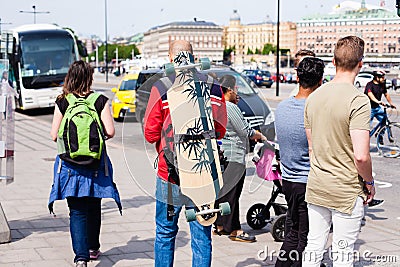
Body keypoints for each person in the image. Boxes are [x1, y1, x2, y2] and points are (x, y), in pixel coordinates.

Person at [143, 40, 227, 267]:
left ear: (171, 59)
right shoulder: (212, 85)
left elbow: (150, 133)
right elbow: (220, 130)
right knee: (201, 237)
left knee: (165, 233)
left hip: (169, 174)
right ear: (193, 57)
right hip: (202, 175)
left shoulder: (162, 87)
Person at [302, 36, 375, 267]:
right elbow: (361, 155)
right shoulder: (358, 100)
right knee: (343, 252)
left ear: (333, 61)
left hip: (317, 184)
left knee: (313, 244)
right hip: (345, 188)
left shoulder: (313, 98)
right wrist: (369, 182)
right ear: (360, 64)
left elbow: (312, 147)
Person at [48, 60, 122, 267]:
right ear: (89, 78)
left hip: (70, 165)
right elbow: (110, 131)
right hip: (95, 163)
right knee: (94, 204)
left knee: (77, 210)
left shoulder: (63, 101)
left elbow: (54, 135)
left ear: (70, 77)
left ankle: (81, 258)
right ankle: (93, 248)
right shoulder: (99, 100)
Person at [274, 57, 325, 267]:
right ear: (321, 82)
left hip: (288, 181)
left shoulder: (282, 107)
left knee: (292, 232)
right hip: (308, 183)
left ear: (297, 77)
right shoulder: (316, 111)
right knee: (304, 239)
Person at [213, 74, 266, 243]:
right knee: (232, 195)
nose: (237, 92)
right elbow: (245, 130)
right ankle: (235, 230)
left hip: (222, 155)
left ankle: (220, 225)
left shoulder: (217, 106)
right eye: (236, 89)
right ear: (229, 89)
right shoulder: (230, 107)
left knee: (223, 193)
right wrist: (259, 135)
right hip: (234, 156)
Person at [364, 70, 396, 144]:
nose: (383, 79)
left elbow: (386, 94)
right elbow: (370, 94)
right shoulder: (370, 85)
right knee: (366, 127)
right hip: (369, 108)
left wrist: (391, 103)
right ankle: (363, 141)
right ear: (377, 77)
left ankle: (380, 135)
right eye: (382, 77)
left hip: (377, 108)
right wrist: (378, 101)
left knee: (385, 120)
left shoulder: (382, 85)